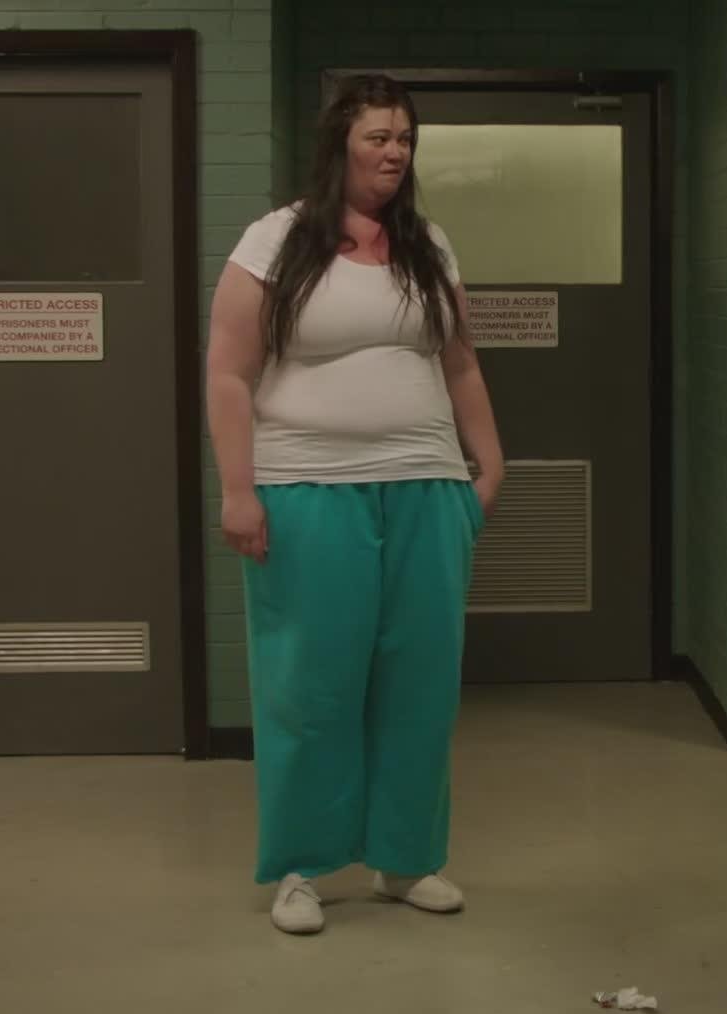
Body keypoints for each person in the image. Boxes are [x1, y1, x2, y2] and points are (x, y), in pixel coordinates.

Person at [203, 74, 503, 935]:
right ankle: (301, 867)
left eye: (405, 138)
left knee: (419, 683)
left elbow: (459, 360)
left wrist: (489, 464)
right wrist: (237, 490)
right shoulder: (276, 239)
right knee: (311, 684)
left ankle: (404, 860)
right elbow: (228, 372)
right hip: (307, 489)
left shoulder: (427, 244)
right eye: (379, 137)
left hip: (426, 487)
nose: (395, 152)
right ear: (340, 143)